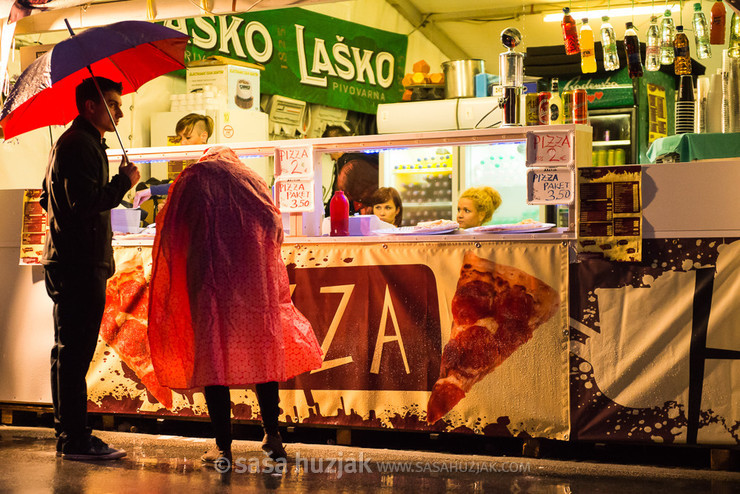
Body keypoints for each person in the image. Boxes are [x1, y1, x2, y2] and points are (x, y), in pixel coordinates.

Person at [147, 146, 323, 468]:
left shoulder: (192, 179)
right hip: (254, 282)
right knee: (262, 353)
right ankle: (273, 435)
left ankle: (223, 448)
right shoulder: (252, 179)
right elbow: (275, 228)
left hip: (209, 282)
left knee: (214, 357)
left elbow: (170, 232)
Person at [40, 76, 140, 460]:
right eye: (113, 104)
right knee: (73, 353)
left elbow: (51, 198)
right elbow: (82, 204)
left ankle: (72, 432)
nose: (119, 111)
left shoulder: (84, 143)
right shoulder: (78, 145)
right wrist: (122, 183)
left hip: (77, 261)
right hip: (76, 265)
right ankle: (73, 438)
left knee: (70, 352)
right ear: (90, 107)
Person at [133, 113, 214, 208]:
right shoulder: (193, 165)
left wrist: (152, 191)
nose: (182, 142)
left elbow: (187, 187)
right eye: (180, 138)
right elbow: (182, 187)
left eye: (188, 137)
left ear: (204, 136)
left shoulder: (209, 164)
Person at [323, 125, 379, 216]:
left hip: (361, 215)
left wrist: (325, 218)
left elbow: (338, 195)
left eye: (329, 152)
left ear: (335, 146)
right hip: (376, 212)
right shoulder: (366, 155)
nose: (331, 158)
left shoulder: (346, 162)